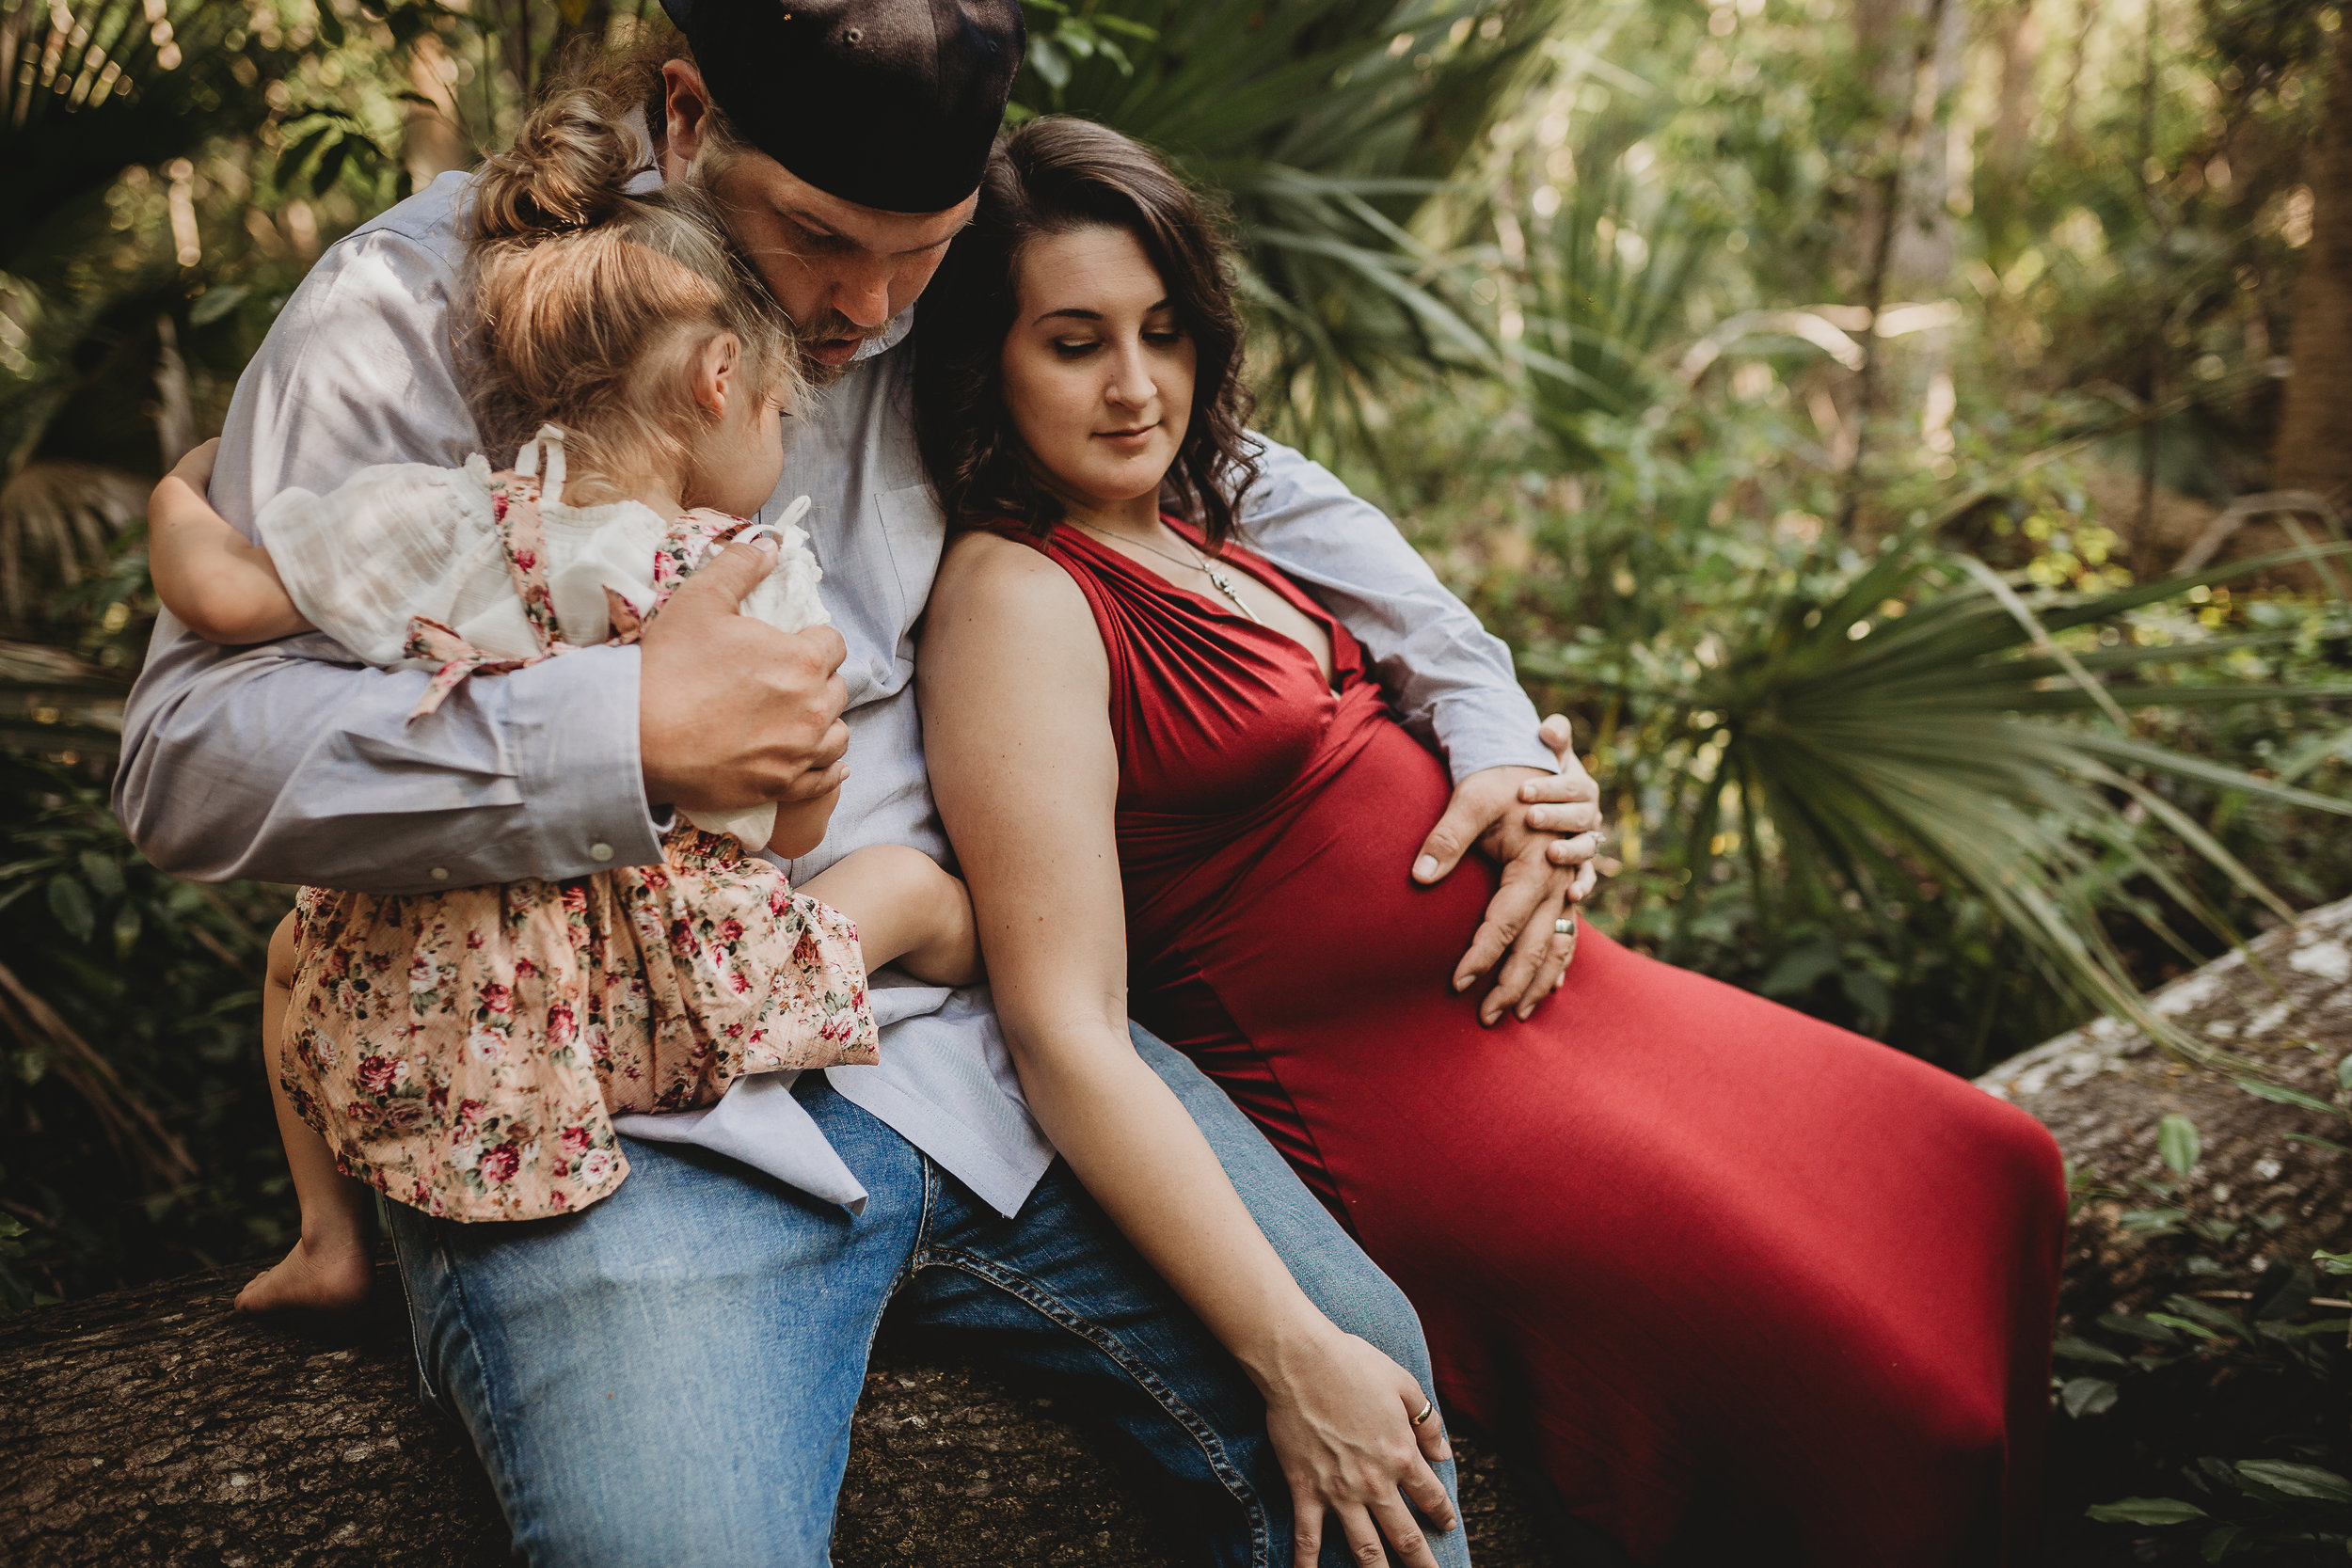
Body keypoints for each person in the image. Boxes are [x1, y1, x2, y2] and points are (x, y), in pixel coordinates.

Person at [114, 3, 1602, 1562]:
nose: (867, 310)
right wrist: (619, 735)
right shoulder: (411, 305)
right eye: (820, 240)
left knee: (1376, 1407)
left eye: (924, 252)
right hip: (606, 1132)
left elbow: (1222, 463)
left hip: (976, 1057)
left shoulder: (919, 289)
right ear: (685, 116)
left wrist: (1486, 714)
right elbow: (186, 759)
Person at [913, 117, 2072, 1567]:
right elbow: (1065, 1027)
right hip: (1397, 1099)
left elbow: (1449, 663)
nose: (1137, 385)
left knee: (1995, 1164)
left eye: (1162, 331)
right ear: (988, 361)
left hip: (1571, 1012)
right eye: (1075, 343)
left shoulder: (1211, 508)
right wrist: (1282, 1342)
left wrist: (1530, 792)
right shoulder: (1014, 597)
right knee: (1903, 1417)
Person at [140, 93, 997, 1314]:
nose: (867, 317)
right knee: (912, 895)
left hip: (503, 1013)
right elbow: (789, 825)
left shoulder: (455, 524)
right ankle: (987, 971)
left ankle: (329, 1242)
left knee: (298, 955)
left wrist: (184, 489)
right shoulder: (742, 571)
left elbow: (221, 594)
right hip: (675, 1006)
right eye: (778, 411)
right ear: (716, 381)